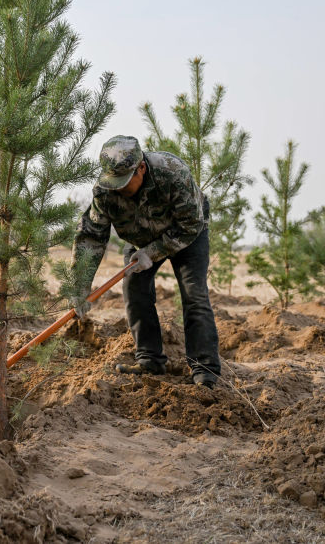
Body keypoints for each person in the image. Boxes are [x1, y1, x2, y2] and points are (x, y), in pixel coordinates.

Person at [69, 135, 221, 388]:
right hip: (140, 239)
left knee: (194, 294)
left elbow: (191, 224)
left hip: (187, 234)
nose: (118, 188)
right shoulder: (105, 191)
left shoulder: (172, 173)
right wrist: (79, 286)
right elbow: (91, 237)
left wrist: (154, 251)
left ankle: (204, 369)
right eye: (113, 182)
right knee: (134, 289)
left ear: (141, 168)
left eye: (124, 182)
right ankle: (150, 360)